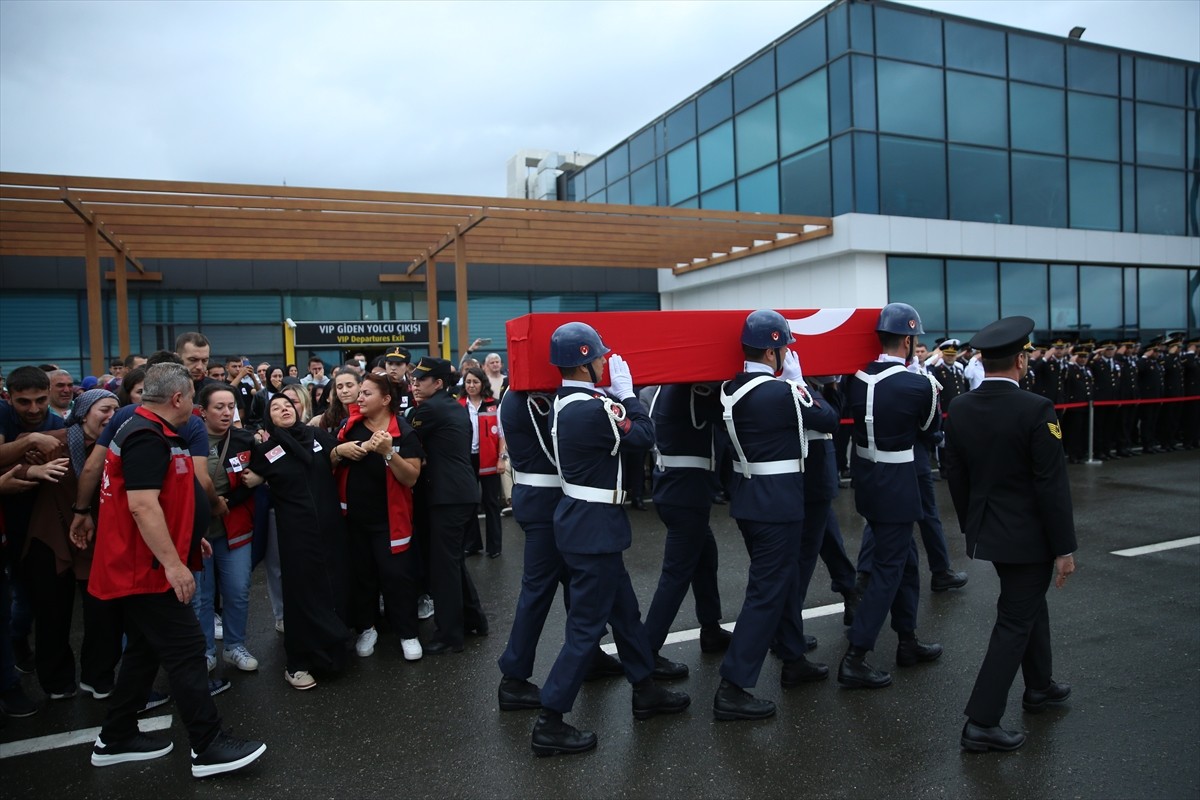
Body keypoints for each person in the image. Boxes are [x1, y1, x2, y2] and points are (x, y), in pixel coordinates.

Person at [86, 363, 265, 777]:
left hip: (152, 562)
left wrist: (186, 539)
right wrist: (172, 562)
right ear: (179, 398)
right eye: (195, 398)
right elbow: (142, 505)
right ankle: (208, 745)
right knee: (186, 653)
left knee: (145, 652)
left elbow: (165, 501)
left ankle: (116, 737)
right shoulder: (147, 436)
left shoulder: (157, 432)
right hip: (146, 569)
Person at [532, 322, 689, 757]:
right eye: (598, 356)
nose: (605, 361)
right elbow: (643, 436)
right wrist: (627, 395)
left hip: (587, 523)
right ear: (585, 362)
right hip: (593, 527)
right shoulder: (592, 407)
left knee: (625, 613)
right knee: (586, 628)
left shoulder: (567, 401)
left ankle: (645, 689)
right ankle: (550, 719)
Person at [942, 316, 1077, 753]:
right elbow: (1051, 485)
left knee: (1027, 605)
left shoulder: (960, 407)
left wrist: (972, 524)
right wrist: (1064, 548)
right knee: (1015, 620)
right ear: (1021, 360)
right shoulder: (1036, 409)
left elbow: (956, 475)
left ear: (982, 359)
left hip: (992, 533)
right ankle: (981, 722)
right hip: (1030, 537)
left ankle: (1039, 687)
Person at [713, 310, 839, 720]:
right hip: (778, 505)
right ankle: (733, 687)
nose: (787, 354)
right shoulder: (782, 393)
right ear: (772, 352)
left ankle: (792, 656)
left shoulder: (729, 389)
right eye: (784, 348)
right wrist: (799, 384)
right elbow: (828, 418)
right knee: (766, 592)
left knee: (781, 584)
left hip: (750, 499)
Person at [495, 388, 625, 713]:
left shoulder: (523, 394)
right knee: (538, 590)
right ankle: (513, 677)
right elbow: (560, 453)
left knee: (574, 582)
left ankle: (590, 655)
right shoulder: (529, 398)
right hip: (545, 502)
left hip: (546, 500)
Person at [839, 303, 943, 690]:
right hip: (899, 483)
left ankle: (907, 639)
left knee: (906, 560)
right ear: (909, 340)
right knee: (888, 570)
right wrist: (923, 381)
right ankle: (856, 655)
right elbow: (931, 434)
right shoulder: (919, 386)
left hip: (869, 479)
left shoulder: (857, 377)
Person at [20, 389, 122, 702]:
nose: (110, 416)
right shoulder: (55, 441)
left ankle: (98, 677)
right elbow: (13, 463)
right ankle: (56, 682)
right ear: (84, 412)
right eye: (104, 409)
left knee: (103, 615)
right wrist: (31, 465)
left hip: (96, 542)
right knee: (52, 616)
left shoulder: (120, 446)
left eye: (116, 410)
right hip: (51, 539)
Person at [244, 394, 351, 690]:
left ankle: (334, 653)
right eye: (276, 408)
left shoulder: (316, 436)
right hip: (296, 532)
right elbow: (248, 479)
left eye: (288, 406)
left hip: (330, 528)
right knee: (302, 594)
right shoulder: (266, 451)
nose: (284, 410)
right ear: (270, 418)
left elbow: (338, 454)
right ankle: (298, 663)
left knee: (332, 588)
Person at [331, 373, 425, 662]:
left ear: (385, 400)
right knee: (362, 577)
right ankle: (367, 627)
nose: (359, 398)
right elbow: (328, 463)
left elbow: (411, 478)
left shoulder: (404, 433)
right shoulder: (349, 427)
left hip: (390, 522)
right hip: (353, 519)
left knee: (397, 577)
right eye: (359, 393)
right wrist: (337, 450)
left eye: (366, 393)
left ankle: (407, 632)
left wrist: (388, 454)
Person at [642, 383, 731, 664]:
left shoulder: (666, 389)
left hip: (677, 490)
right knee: (676, 575)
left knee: (706, 559)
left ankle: (711, 628)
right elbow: (730, 415)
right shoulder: (691, 391)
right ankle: (648, 650)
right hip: (686, 493)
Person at [406, 357, 488, 654]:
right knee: (451, 561)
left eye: (420, 380)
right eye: (413, 379)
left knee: (443, 567)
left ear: (438, 383)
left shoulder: (429, 409)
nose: (414, 384)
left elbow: (401, 436)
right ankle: (474, 619)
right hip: (459, 492)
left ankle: (450, 635)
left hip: (447, 495)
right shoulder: (453, 405)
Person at [193, 384, 259, 675]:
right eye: (218, 407)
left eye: (230, 406)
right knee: (201, 596)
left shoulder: (245, 440)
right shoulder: (186, 440)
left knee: (238, 591)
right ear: (202, 411)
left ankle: (234, 646)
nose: (225, 412)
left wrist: (228, 501)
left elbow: (256, 478)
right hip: (198, 531)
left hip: (234, 526)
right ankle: (205, 651)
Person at [459, 367, 506, 558]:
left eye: (475, 382)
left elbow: (502, 434)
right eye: (468, 382)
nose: (471, 385)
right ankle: (472, 544)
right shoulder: (458, 405)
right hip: (466, 460)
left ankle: (494, 547)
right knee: (469, 503)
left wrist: (501, 458)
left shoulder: (493, 405)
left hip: (490, 460)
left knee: (491, 504)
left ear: (482, 383)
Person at [313, 367, 362, 433]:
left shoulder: (370, 412)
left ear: (360, 386)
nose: (344, 391)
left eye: (349, 385)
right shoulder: (328, 417)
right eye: (339, 387)